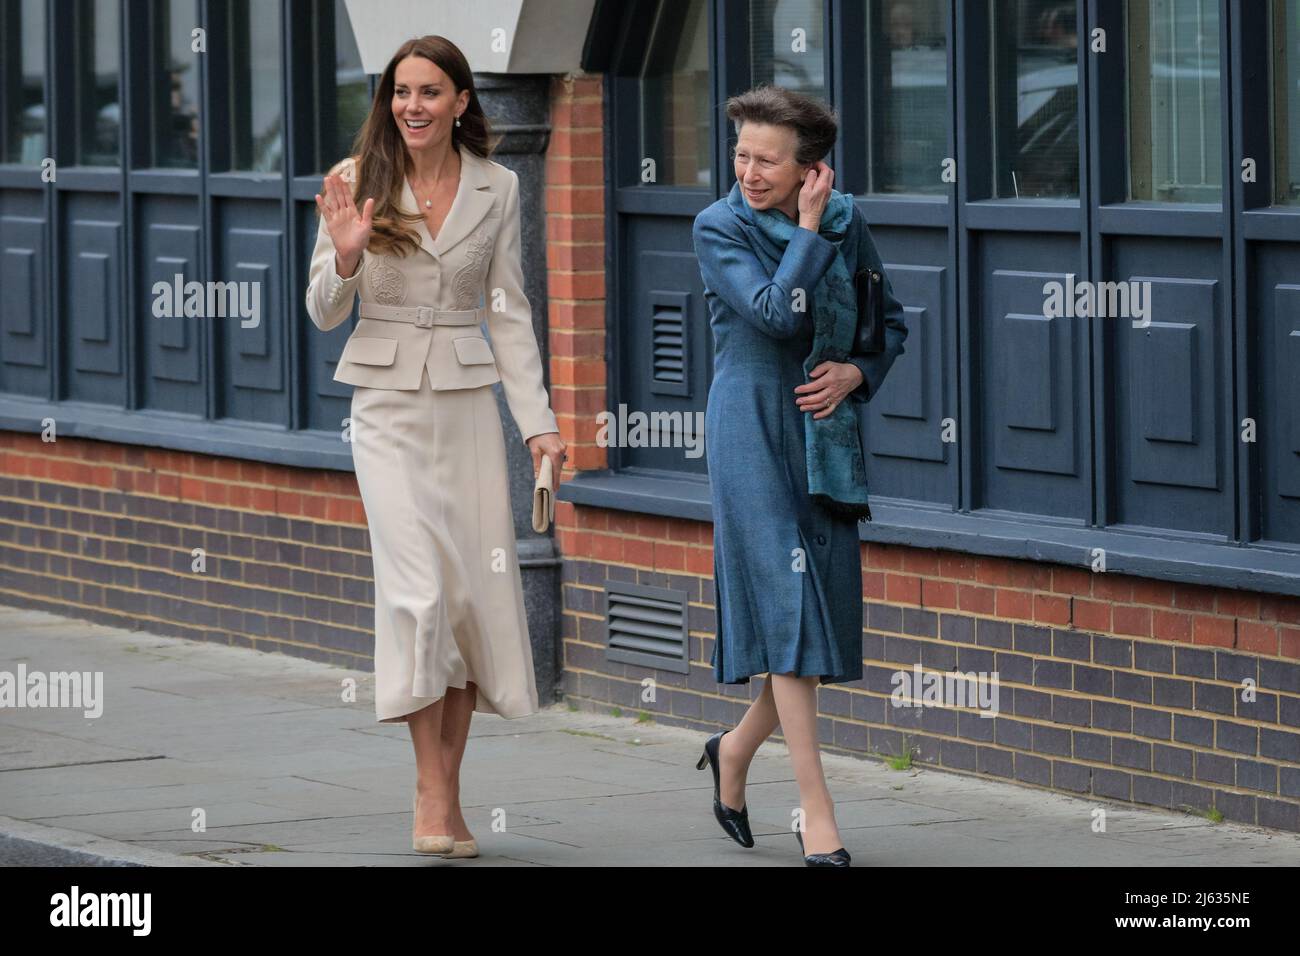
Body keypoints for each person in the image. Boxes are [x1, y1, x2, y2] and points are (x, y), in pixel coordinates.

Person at [305, 35, 566, 859]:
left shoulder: (500, 185)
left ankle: (448, 799)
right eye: (400, 92)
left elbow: (512, 312)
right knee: (416, 597)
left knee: (463, 605)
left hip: (465, 410)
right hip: (384, 411)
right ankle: (428, 789)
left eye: (429, 92)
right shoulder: (354, 182)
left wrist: (540, 424)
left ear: (461, 101)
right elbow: (321, 310)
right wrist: (345, 257)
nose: (411, 106)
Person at [691, 84, 908, 866]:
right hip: (749, 427)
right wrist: (809, 229)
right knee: (789, 613)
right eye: (741, 153)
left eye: (767, 159)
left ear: (809, 167)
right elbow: (779, 314)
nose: (748, 170)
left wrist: (855, 372)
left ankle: (735, 751)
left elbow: (891, 325)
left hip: (823, 431)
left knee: (810, 621)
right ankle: (818, 813)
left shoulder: (849, 223)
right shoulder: (720, 226)